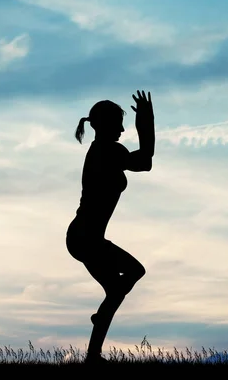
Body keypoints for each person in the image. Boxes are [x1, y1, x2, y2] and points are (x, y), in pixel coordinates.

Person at [66, 90, 156, 365]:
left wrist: (144, 121)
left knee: (116, 290)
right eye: (118, 123)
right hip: (86, 237)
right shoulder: (108, 150)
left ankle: (93, 354)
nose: (122, 128)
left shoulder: (103, 150)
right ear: (103, 125)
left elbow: (143, 162)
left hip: (83, 237)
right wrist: (147, 121)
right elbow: (145, 161)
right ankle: (101, 320)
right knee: (135, 272)